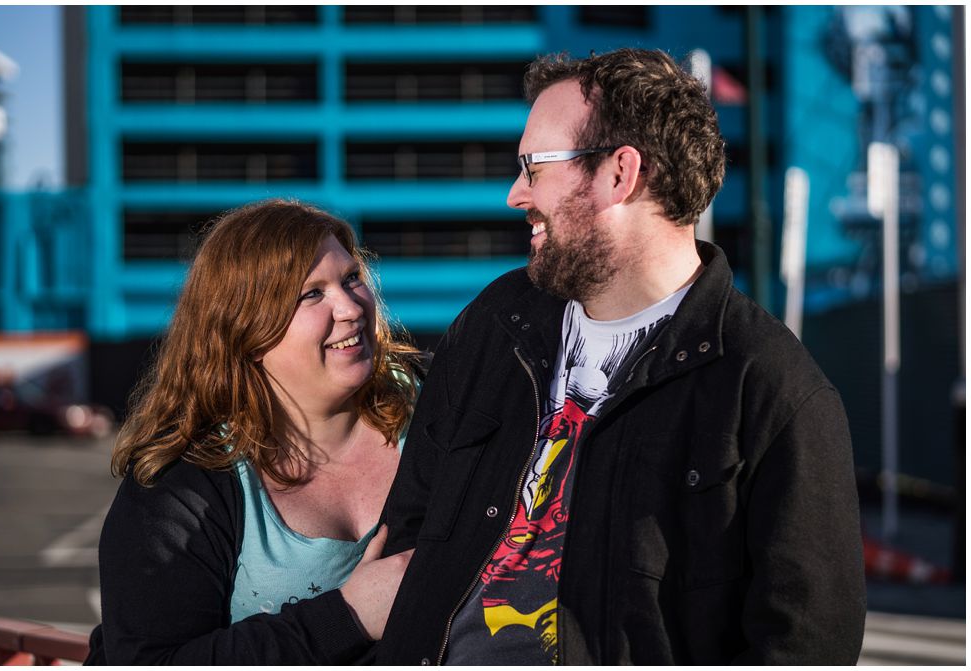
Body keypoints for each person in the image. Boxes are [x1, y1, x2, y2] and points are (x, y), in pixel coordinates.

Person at [378, 49, 866, 665]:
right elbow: (409, 534)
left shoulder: (771, 390)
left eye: (533, 166)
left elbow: (802, 645)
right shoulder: (495, 325)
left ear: (619, 173)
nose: (515, 194)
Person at [85, 200, 420, 664]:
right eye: (311, 294)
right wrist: (348, 616)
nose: (349, 308)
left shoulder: (438, 415)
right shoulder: (183, 489)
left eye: (351, 279)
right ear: (246, 328)